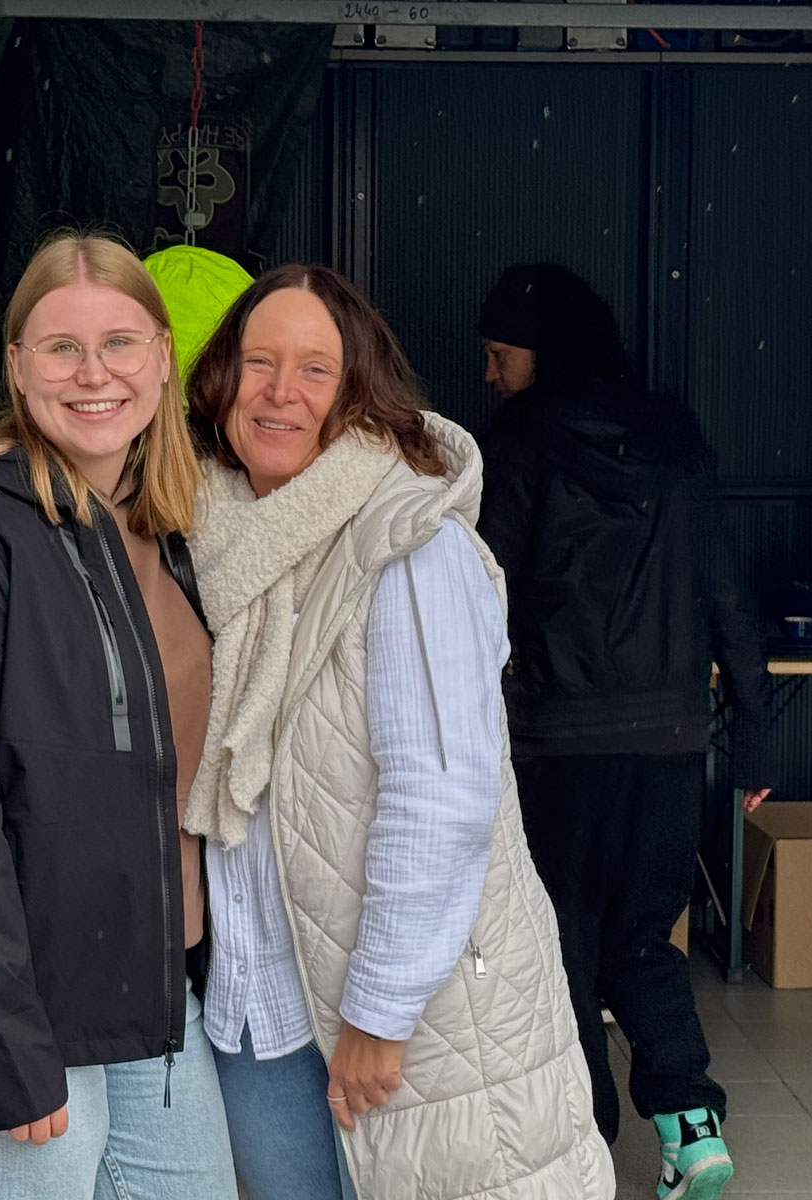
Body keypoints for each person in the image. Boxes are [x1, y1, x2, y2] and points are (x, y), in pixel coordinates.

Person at [182, 263, 615, 1200]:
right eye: (258, 362)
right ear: (220, 380)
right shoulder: (213, 541)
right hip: (260, 1002)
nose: (280, 391)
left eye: (315, 369)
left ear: (359, 391)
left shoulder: (411, 544)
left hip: (409, 1014)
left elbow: (442, 797)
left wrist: (380, 1010)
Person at [0, 233, 237, 1200]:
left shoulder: (167, 533)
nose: (94, 373)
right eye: (62, 348)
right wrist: (6, 1047)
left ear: (163, 358)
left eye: (120, 343)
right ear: (18, 368)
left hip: (148, 1002)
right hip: (13, 1021)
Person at [476, 263, 771, 1200]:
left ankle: (587, 1144)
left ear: (543, 352)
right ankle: (692, 1126)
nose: (489, 375)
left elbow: (483, 596)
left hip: (558, 745)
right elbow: (726, 592)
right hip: (671, 742)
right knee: (645, 937)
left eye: (499, 355)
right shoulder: (676, 442)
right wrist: (754, 738)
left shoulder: (519, 447)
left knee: (561, 945)